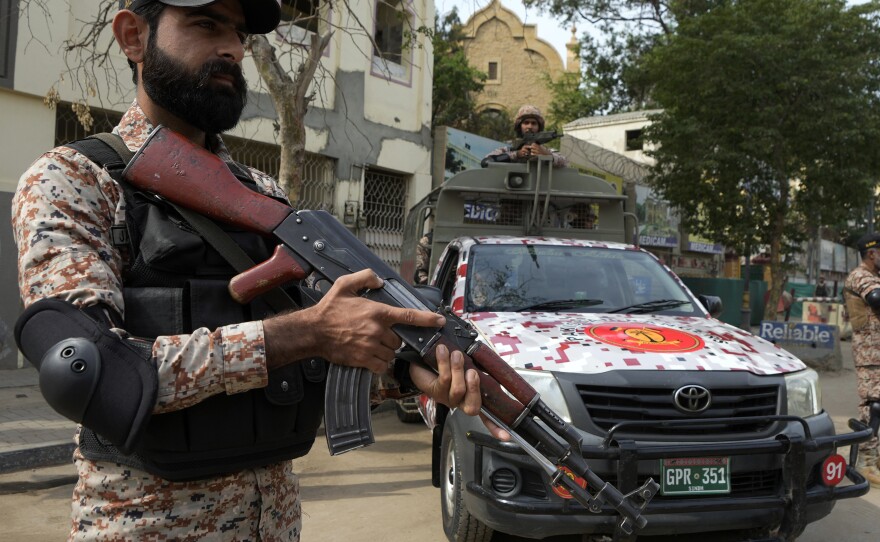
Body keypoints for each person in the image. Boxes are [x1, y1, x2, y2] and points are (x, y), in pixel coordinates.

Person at [12, 1, 505, 540]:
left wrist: (401, 374)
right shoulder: (75, 181)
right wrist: (303, 333)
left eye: (240, 34)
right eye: (206, 24)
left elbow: (311, 366)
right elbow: (92, 374)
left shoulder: (263, 196)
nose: (232, 49)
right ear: (133, 37)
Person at [842, 232, 880, 488]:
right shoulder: (860, 275)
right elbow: (876, 298)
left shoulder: (875, 276)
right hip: (869, 351)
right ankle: (866, 462)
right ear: (872, 253)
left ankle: (875, 457)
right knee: (872, 405)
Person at [482, 105, 569, 168]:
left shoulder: (545, 150)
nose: (530, 126)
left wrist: (546, 155)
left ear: (539, 127)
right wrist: (517, 154)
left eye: (534, 123)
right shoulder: (508, 148)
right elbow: (486, 162)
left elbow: (565, 163)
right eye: (526, 123)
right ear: (519, 126)